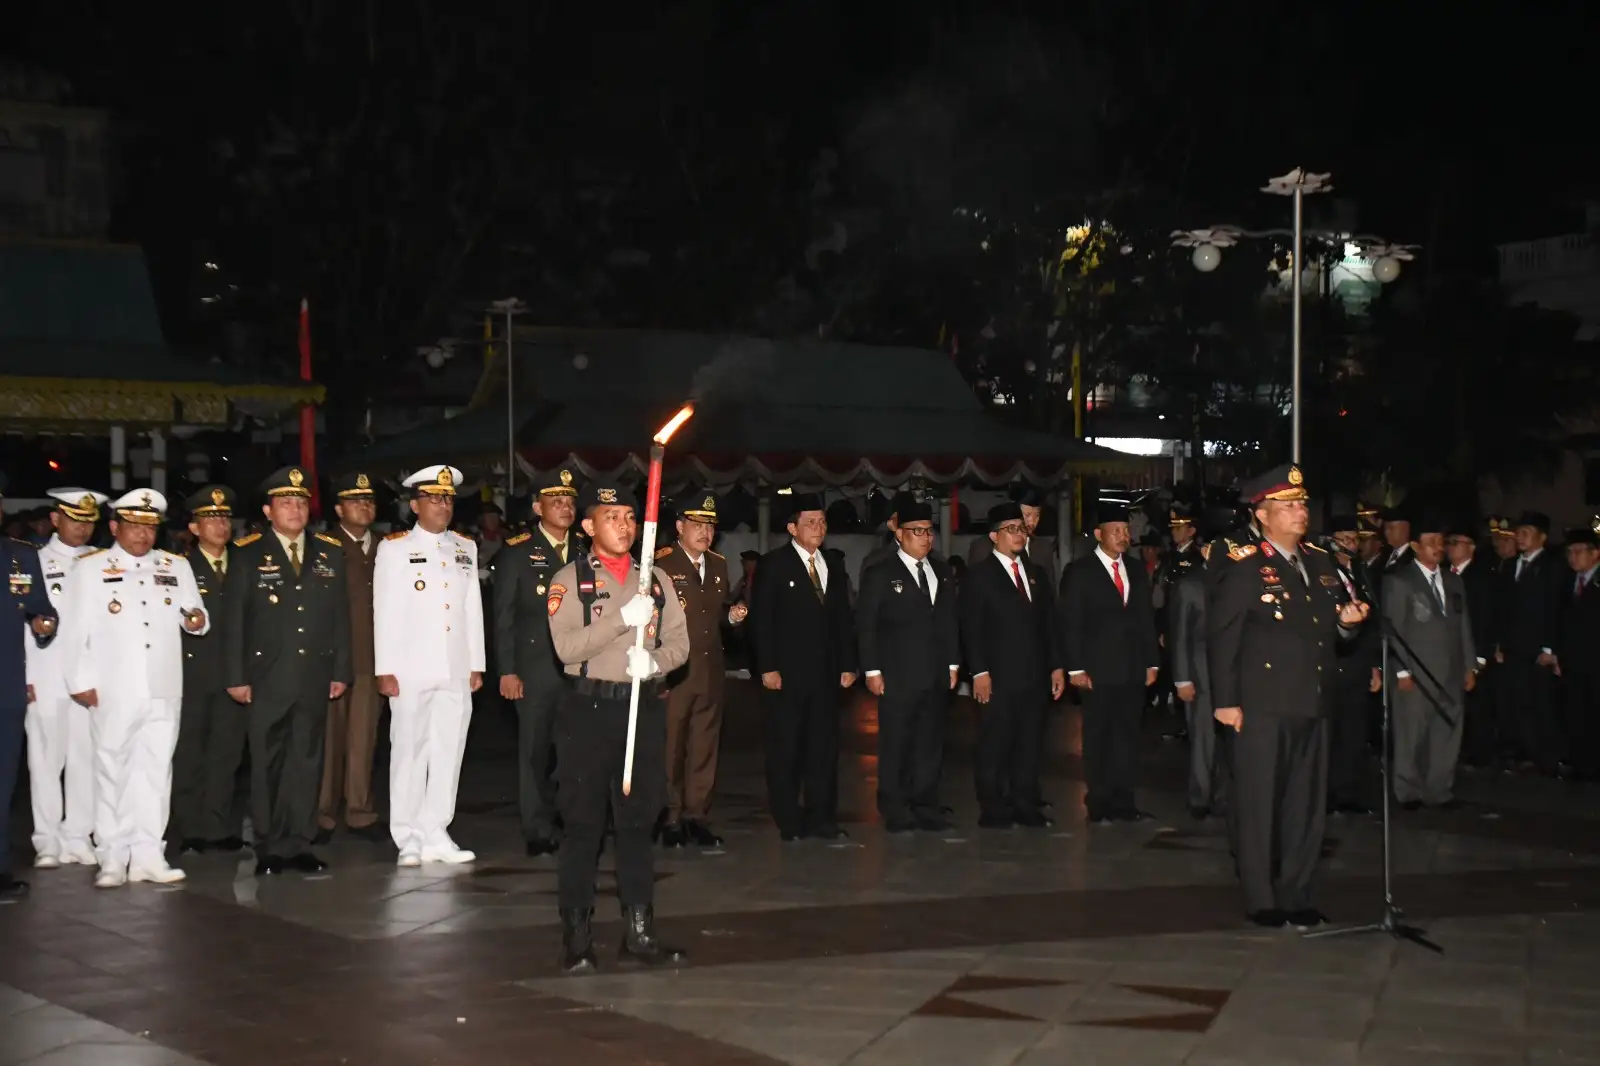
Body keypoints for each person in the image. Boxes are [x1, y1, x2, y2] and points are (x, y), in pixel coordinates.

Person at [1208, 464, 1369, 929]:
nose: (1301, 512)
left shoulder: (1320, 562)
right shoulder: (1244, 566)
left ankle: (1297, 894)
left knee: (1306, 806)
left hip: (1312, 701)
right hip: (1261, 704)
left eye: (1302, 504)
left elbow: (1326, 630)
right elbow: (1223, 636)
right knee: (1258, 804)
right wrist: (1226, 701)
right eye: (1289, 505)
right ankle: (1262, 898)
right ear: (1262, 515)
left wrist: (1347, 624)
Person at [547, 480, 690, 971]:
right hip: (588, 712)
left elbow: (680, 643)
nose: (624, 526)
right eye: (611, 517)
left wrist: (654, 663)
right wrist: (621, 620)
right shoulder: (570, 579)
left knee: (638, 822)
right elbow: (566, 648)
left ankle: (640, 932)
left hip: (641, 709)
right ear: (588, 526)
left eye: (630, 517)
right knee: (582, 824)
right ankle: (577, 936)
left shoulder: (657, 579)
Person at [63, 489, 209, 887]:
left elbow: (196, 613)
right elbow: (74, 631)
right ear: (115, 527)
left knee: (156, 771)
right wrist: (79, 681)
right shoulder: (91, 569)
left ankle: (149, 855)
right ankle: (112, 856)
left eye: (150, 527)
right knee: (112, 769)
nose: (143, 535)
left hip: (163, 685)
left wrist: (196, 620)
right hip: (115, 686)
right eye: (134, 526)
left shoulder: (175, 565)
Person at [224, 466, 351, 876]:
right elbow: (234, 621)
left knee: (307, 761)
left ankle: (300, 842)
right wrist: (236, 677)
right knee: (267, 762)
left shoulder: (329, 552)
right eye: (286, 503)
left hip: (313, 673)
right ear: (268, 511)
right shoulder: (246, 554)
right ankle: (269, 843)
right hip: (267, 676)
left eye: (300, 502)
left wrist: (341, 669)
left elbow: (340, 617)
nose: (295, 510)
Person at [374, 464, 485, 866]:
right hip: (411, 667)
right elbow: (384, 610)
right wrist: (384, 667)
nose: (443, 505)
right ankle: (407, 836)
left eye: (448, 498)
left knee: (448, 750)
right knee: (409, 750)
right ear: (415, 505)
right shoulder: (394, 548)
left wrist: (476, 662)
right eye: (434, 498)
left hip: (455, 665)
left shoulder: (465, 547)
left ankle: (437, 830)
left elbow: (472, 608)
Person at [751, 493, 858, 841]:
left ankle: (822, 817)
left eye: (822, 522)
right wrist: (767, 667)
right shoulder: (774, 564)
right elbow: (762, 620)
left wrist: (848, 663)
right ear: (792, 527)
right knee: (786, 749)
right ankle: (789, 819)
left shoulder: (833, 565)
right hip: (787, 675)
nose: (818, 528)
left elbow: (843, 618)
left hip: (825, 675)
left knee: (823, 749)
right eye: (810, 522)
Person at [494, 469, 583, 857]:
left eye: (569, 501)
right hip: (534, 669)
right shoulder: (518, 552)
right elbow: (504, 617)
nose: (565, 507)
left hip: (577, 670)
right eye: (556, 501)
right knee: (534, 752)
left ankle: (570, 818)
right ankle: (536, 827)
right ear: (537, 508)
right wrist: (507, 670)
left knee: (574, 750)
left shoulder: (584, 552)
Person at [857, 498, 958, 833]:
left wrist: (953, 662)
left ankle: (925, 804)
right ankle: (895, 807)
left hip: (935, 672)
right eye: (917, 531)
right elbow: (867, 625)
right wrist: (872, 670)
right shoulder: (881, 573)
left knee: (930, 743)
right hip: (897, 674)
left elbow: (948, 620)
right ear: (899, 534)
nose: (925, 538)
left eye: (929, 531)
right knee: (897, 743)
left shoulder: (941, 571)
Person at [960, 501, 1064, 828]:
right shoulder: (980, 576)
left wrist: (1056, 666)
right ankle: (993, 807)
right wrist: (979, 671)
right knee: (996, 742)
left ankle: (1025, 804)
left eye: (1022, 528)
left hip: (1034, 675)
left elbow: (1049, 624)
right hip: (998, 675)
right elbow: (971, 628)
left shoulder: (1036, 574)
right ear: (994, 536)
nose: (1019, 534)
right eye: (1011, 529)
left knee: (1029, 743)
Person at [654, 490, 746, 848]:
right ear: (680, 526)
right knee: (671, 746)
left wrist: (731, 617)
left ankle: (697, 815)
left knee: (704, 745)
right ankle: (670, 816)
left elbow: (715, 612)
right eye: (697, 524)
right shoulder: (662, 564)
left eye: (710, 526)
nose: (705, 532)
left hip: (709, 669)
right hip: (674, 671)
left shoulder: (719, 564)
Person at [1060, 502, 1159, 824]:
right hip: (1097, 670)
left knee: (1127, 737)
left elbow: (1145, 618)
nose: (1123, 536)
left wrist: (1152, 662)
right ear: (1098, 534)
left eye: (1126, 530)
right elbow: (1071, 622)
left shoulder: (1136, 570)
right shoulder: (1081, 571)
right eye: (1116, 531)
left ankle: (1125, 802)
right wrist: (1075, 668)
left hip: (1131, 667)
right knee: (1099, 737)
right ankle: (1099, 803)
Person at [24, 488, 106, 869]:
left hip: (88, 677)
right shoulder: (33, 560)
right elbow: (21, 623)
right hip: (46, 673)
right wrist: (24, 676)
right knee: (45, 760)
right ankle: (47, 840)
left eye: (89, 521)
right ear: (56, 519)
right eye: (75, 519)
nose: (82, 528)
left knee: (84, 759)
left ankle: (78, 836)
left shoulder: (102, 562)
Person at [170, 486, 250, 854]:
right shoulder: (179, 566)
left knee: (227, 753)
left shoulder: (245, 562)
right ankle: (190, 828)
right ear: (194, 527)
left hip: (235, 673)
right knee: (190, 752)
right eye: (211, 519)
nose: (220, 525)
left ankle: (218, 827)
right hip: (193, 673)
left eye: (224, 518)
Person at [1383, 514, 1476, 810]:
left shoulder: (1453, 581)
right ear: (1415, 546)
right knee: (1411, 733)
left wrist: (1469, 665)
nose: (1438, 547)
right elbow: (1393, 630)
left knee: (1446, 732)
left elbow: (1463, 625)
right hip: (1417, 672)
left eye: (1441, 541)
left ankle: (1439, 789)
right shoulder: (1400, 581)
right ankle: (1407, 790)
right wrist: (1401, 670)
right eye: (1431, 542)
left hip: (1451, 670)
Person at [317, 471, 386, 844]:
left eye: (369, 500)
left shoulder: (388, 548)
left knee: (364, 739)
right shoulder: (323, 547)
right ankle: (322, 814)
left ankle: (360, 812)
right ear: (339, 509)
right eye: (355, 501)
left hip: (374, 659)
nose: (364, 506)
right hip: (332, 659)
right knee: (329, 742)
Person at [1, 475, 60, 901]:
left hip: (6, 688)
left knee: (4, 782)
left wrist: (45, 625)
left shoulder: (20, 556)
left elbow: (42, 609)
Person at [1495, 510, 1565, 776]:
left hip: (1538, 649)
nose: (1520, 537)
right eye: (1519, 532)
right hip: (1514, 646)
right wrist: (1501, 643)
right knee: (1517, 701)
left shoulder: (1552, 567)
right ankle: (1522, 753)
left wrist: (1549, 648)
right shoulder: (1512, 565)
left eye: (1527, 532)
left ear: (1542, 537)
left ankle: (1546, 759)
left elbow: (1555, 608)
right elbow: (1504, 608)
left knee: (1541, 704)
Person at [1169, 514, 1227, 820]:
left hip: (1230, 675)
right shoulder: (1190, 585)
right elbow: (1180, 635)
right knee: (1203, 739)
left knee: (1227, 741)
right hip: (1200, 674)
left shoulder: (1234, 581)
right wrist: (1182, 679)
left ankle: (1223, 797)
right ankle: (1200, 798)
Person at [1325, 515, 1380, 816]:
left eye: (1354, 539)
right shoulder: (1323, 572)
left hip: (1358, 662)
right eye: (1343, 538)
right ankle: (1328, 794)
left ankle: (1349, 792)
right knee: (1332, 730)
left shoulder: (1360, 573)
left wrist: (1374, 666)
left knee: (1355, 731)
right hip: (1335, 661)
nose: (1350, 544)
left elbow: (1371, 625)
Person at [1446, 523, 1496, 770]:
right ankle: (1459, 751)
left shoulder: (1480, 577)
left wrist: (1481, 656)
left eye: (1457, 543)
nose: (1451, 547)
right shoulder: (1445, 574)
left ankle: (1480, 755)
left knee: (1477, 706)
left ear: (1472, 548)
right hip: (1450, 651)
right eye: (1450, 542)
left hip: (1473, 649)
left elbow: (1486, 617)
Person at [1557, 529, 1600, 780]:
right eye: (1569, 552)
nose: (1572, 557)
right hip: (1573, 661)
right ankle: (1581, 763)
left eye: (1578, 551)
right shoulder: (1569, 582)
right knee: (1576, 713)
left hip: (1595, 660)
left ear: (1595, 553)